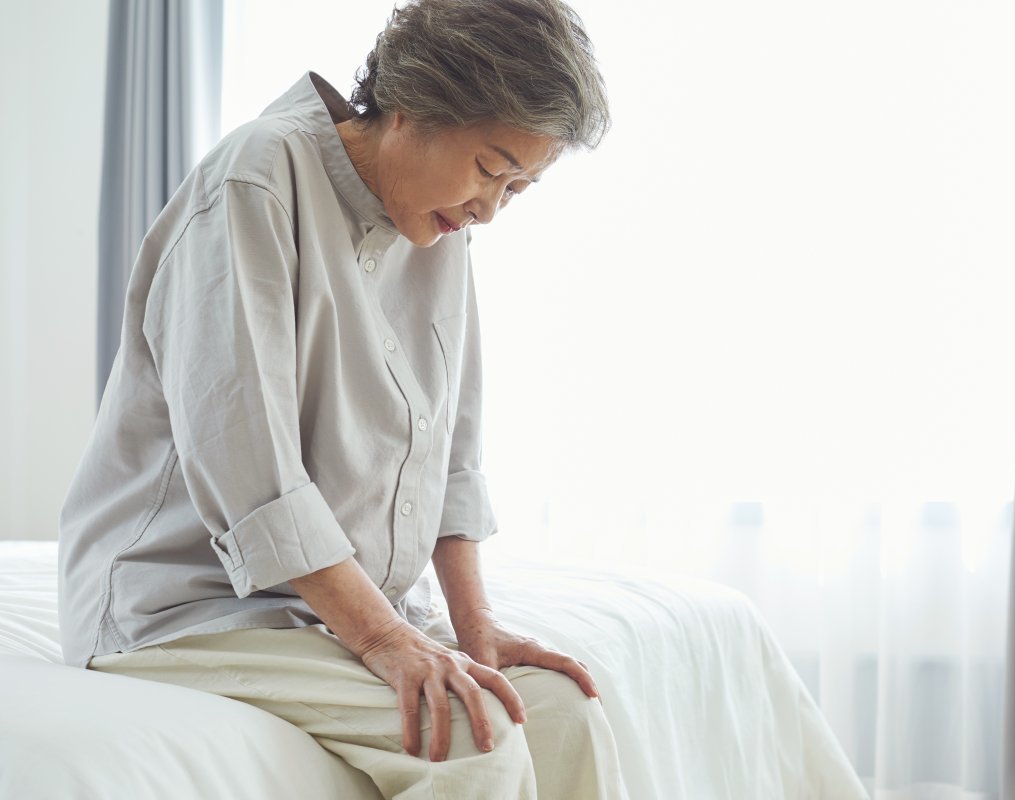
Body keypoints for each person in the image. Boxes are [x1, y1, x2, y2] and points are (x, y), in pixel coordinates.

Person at [58, 1, 621, 797]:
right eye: (491, 169)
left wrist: (473, 627)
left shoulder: (439, 227)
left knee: (558, 710)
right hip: (188, 607)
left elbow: (447, 454)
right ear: (413, 108)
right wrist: (386, 639)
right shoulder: (253, 181)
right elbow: (251, 475)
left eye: (520, 188)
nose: (492, 209)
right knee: (470, 736)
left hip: (327, 611)